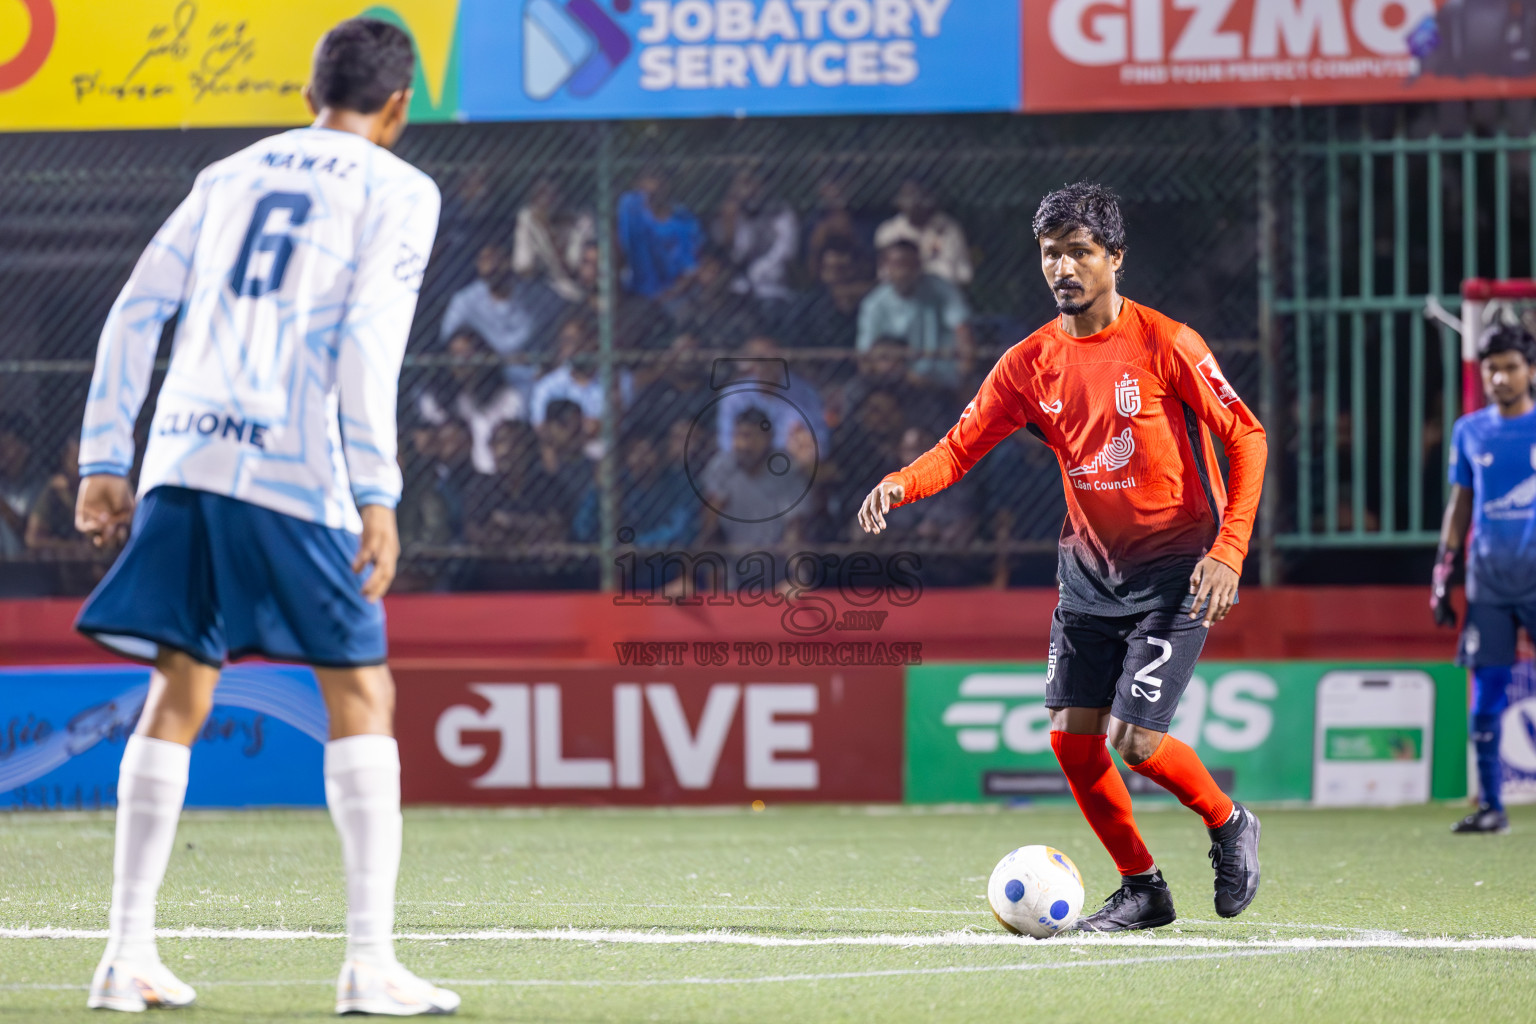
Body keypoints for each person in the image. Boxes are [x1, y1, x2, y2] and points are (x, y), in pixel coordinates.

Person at [70, 20, 458, 1014]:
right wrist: (378, 490)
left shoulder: (228, 173)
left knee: (180, 687)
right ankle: (369, 963)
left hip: (185, 455)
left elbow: (134, 308)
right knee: (360, 692)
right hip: (293, 467)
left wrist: (106, 458)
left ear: (308, 94)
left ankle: (125, 955)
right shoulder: (400, 189)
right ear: (399, 105)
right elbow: (367, 344)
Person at [858, 182, 1267, 932]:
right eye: (1051, 253)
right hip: (1088, 572)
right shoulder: (1029, 363)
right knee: (1072, 742)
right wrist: (900, 482)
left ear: (1116, 258)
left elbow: (1247, 435)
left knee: (1135, 742)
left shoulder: (1168, 343)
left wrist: (1231, 547)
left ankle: (1229, 821)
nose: (1063, 267)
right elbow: (958, 448)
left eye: (1080, 251)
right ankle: (1143, 888)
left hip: (1176, 569)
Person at [1432, 323, 1536, 835]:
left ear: (1530, 371)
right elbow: (1461, 502)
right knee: (1487, 693)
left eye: (1510, 367)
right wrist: (1443, 570)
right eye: (1492, 368)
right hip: (1488, 584)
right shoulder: (1470, 430)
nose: (1500, 377)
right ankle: (1492, 806)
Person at [441, 242, 564, 395]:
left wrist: (549, 362)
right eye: (484, 259)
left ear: (509, 260)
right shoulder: (464, 302)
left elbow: (564, 323)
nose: (491, 266)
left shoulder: (537, 294)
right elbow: (451, 342)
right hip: (489, 380)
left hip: (539, 374)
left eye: (495, 258)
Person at [856, 240, 974, 389]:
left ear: (919, 265)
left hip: (938, 376)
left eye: (908, 264)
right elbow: (865, 353)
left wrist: (964, 374)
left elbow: (962, 329)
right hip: (890, 377)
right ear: (885, 267)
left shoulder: (941, 290)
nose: (903, 271)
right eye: (897, 264)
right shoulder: (874, 303)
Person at [416, 328, 527, 475]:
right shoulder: (441, 400)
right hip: (463, 474)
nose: (461, 362)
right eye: (454, 355)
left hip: (493, 473)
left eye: (466, 354)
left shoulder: (508, 398)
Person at [873, 179, 974, 287]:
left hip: (943, 287)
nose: (916, 204)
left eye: (922, 200)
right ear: (900, 204)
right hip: (902, 288)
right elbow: (884, 272)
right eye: (910, 199)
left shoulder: (948, 226)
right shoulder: (889, 230)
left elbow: (956, 270)